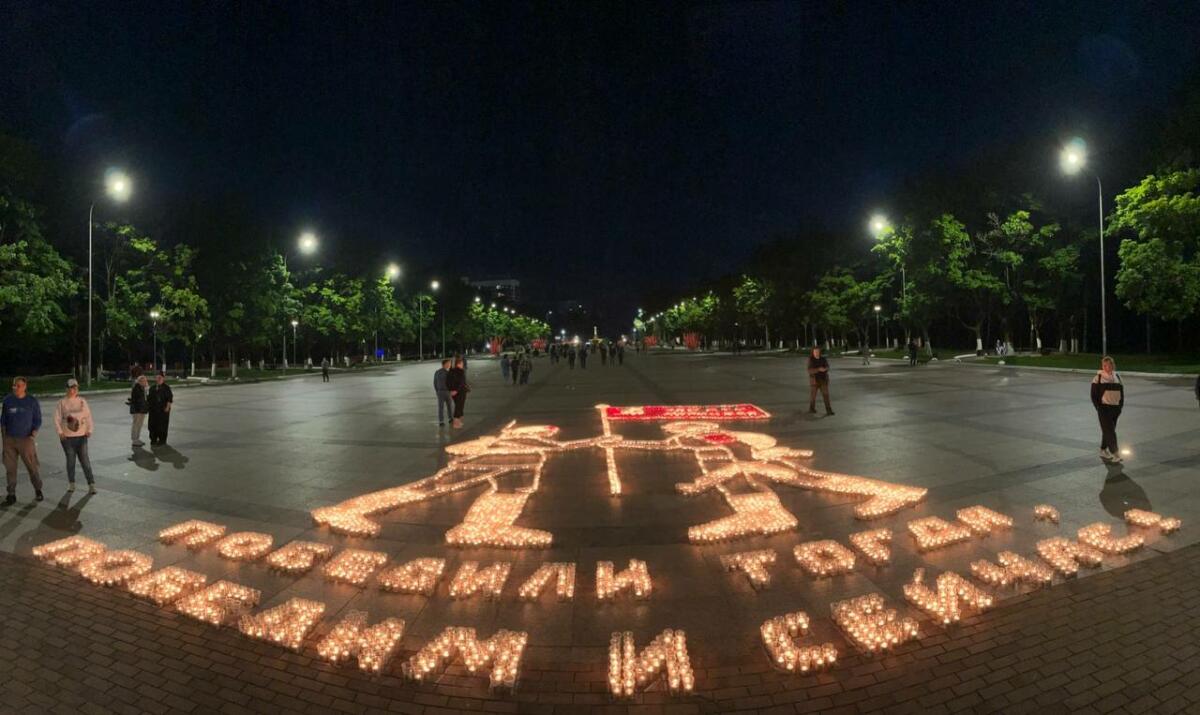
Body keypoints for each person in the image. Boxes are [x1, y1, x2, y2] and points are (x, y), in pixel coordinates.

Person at [2, 377, 43, 505]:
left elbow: (37, 419)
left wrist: (33, 434)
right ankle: (11, 494)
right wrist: (4, 439)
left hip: (26, 440)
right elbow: (3, 420)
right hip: (10, 440)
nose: (16, 388)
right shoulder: (8, 400)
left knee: (32, 467)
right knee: (10, 468)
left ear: (25, 386)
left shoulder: (31, 401)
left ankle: (38, 489)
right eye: (14, 385)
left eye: (19, 385)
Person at [54, 378, 95, 494]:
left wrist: (90, 429)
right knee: (71, 461)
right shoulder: (62, 402)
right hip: (67, 438)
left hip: (82, 437)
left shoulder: (82, 401)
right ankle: (71, 483)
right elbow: (56, 419)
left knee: (85, 461)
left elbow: (88, 416)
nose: (73, 390)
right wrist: (60, 432)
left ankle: (91, 484)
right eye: (71, 388)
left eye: (75, 387)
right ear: (66, 389)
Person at [1090, 356, 1124, 463]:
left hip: (1115, 409)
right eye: (1104, 365)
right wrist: (1099, 408)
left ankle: (1103, 449)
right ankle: (1115, 453)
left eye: (1109, 365)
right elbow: (1093, 396)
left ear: (1112, 365)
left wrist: (1119, 407)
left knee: (1108, 430)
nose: (1107, 367)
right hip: (1104, 409)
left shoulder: (1117, 376)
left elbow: (1122, 394)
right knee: (1110, 431)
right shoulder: (1098, 378)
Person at [147, 371, 174, 445]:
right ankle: (153, 439)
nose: (158, 379)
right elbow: (149, 398)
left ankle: (162, 440)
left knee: (162, 426)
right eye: (157, 377)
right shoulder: (152, 388)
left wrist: (167, 407)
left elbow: (169, 399)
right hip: (153, 410)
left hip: (163, 410)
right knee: (152, 425)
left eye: (160, 377)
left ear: (163, 378)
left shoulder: (166, 388)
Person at [807, 347, 834, 416]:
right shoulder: (811, 360)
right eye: (815, 352)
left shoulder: (823, 359)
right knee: (813, 396)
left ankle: (829, 410)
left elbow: (828, 366)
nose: (816, 353)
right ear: (813, 352)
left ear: (820, 352)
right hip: (814, 381)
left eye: (818, 351)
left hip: (823, 380)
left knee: (826, 395)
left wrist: (825, 369)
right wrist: (818, 369)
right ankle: (811, 408)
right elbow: (809, 370)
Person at [446, 357, 468, 428]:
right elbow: (461, 383)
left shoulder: (450, 371)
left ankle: (459, 422)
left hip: (453, 392)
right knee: (459, 407)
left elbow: (447, 382)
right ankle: (456, 423)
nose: (463, 364)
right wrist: (456, 390)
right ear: (459, 363)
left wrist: (451, 390)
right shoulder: (460, 371)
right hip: (460, 392)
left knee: (458, 406)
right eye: (462, 363)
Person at [129, 374, 149, 447]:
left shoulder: (142, 388)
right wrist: (146, 389)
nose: (145, 382)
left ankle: (137, 438)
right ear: (140, 381)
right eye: (143, 381)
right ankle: (134, 440)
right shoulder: (137, 388)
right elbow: (138, 400)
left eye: (145, 381)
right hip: (137, 410)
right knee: (136, 425)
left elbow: (146, 398)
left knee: (139, 425)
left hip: (142, 410)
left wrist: (146, 388)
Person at [434, 359, 454, 426]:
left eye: (450, 363)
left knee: (441, 407)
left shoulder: (437, 372)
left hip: (440, 392)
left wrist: (437, 391)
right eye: (448, 363)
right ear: (444, 364)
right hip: (446, 392)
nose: (449, 365)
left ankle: (441, 421)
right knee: (449, 406)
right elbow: (451, 383)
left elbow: (435, 383)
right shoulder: (448, 373)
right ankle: (450, 419)